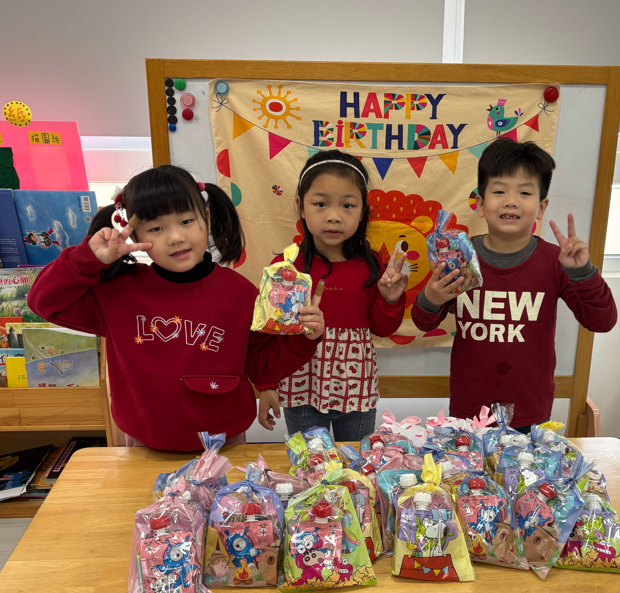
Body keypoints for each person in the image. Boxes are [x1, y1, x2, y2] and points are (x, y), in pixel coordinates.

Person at [28, 165, 326, 452]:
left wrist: (305, 338)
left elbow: (263, 365)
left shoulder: (240, 293)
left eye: (186, 221)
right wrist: (88, 258)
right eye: (156, 228)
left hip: (224, 446)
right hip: (144, 445)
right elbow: (43, 302)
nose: (175, 237)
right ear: (135, 236)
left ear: (206, 217)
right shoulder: (117, 291)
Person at [411, 138, 617, 431]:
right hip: (469, 412)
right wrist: (431, 298)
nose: (511, 200)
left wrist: (583, 272)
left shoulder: (555, 261)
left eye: (524, 192)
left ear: (541, 208)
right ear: (480, 204)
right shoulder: (460, 257)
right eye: (499, 191)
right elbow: (423, 322)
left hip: (530, 412)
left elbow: (601, 321)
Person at [256, 150, 409, 441]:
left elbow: (382, 328)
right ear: (301, 207)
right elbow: (267, 336)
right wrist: (266, 385)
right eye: (321, 204)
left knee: (357, 461)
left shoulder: (371, 266)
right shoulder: (286, 268)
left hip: (357, 387)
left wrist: (390, 300)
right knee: (309, 462)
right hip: (300, 384)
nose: (334, 216)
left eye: (348, 205)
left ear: (362, 211)